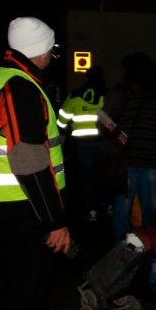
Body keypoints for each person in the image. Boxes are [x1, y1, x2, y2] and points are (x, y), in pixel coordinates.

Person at [0, 18, 69, 310]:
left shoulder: (1, 78)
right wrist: (54, 221)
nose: (52, 56)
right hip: (21, 208)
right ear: (40, 50)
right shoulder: (20, 87)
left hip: (12, 206)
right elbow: (28, 160)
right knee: (20, 290)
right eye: (51, 49)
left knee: (30, 286)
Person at [105, 52, 156, 241]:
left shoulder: (120, 92)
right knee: (149, 209)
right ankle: (148, 244)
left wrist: (120, 137)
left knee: (122, 210)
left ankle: (124, 249)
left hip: (128, 160)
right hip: (149, 160)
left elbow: (104, 122)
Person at [57, 64, 107, 222]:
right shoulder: (107, 94)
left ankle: (92, 210)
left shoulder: (75, 95)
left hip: (82, 143)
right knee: (106, 174)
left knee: (87, 176)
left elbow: (62, 120)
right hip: (103, 143)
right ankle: (108, 205)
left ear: (86, 77)